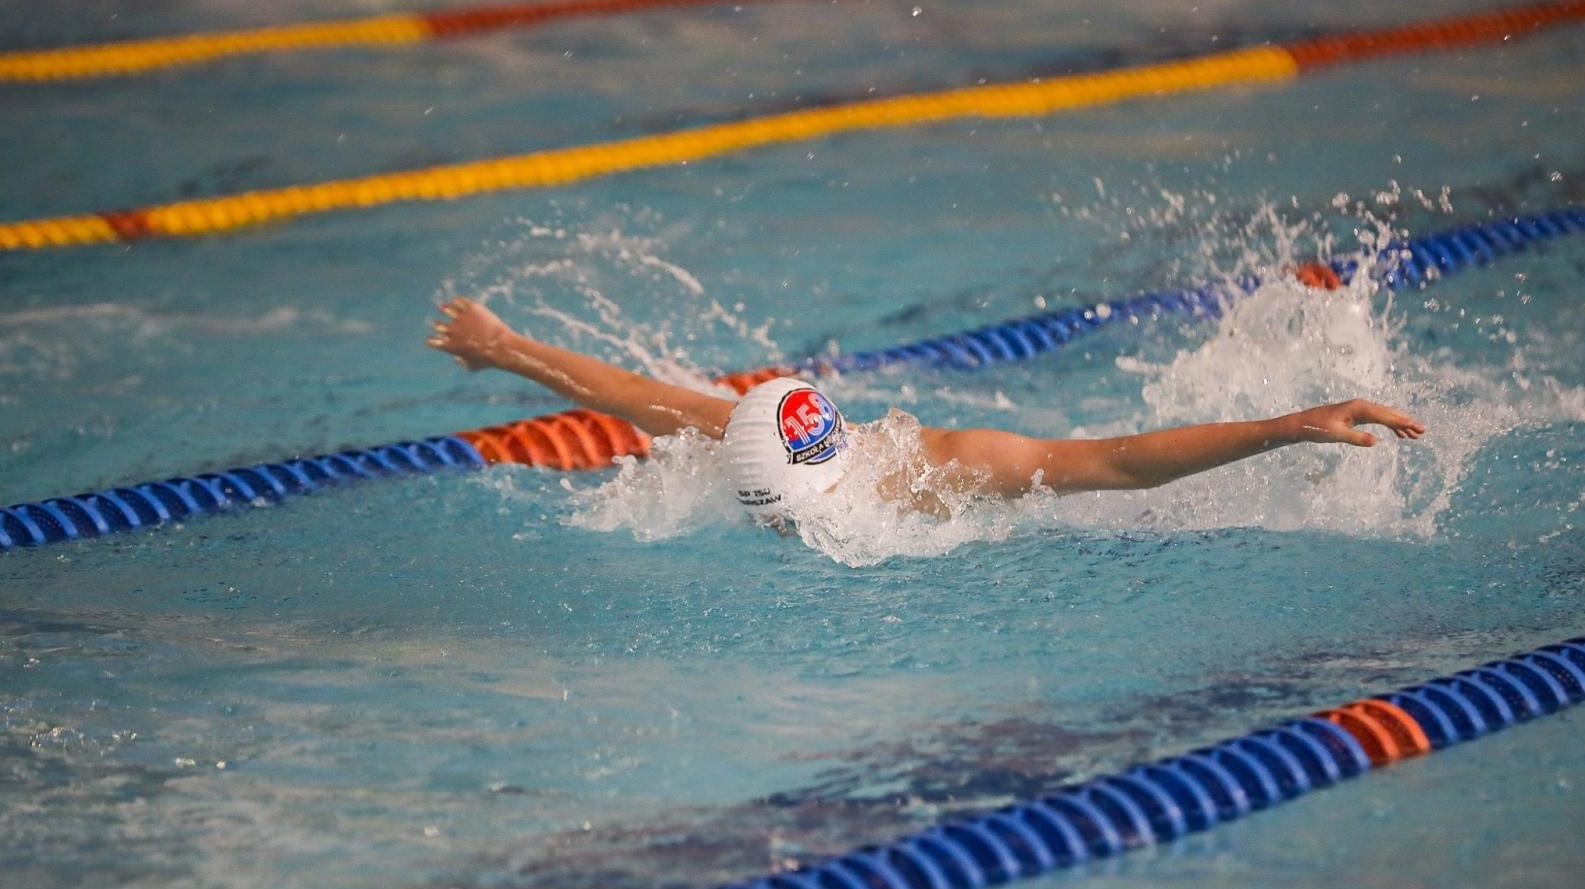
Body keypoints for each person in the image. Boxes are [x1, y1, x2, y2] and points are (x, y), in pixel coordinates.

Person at [428, 297, 1425, 517]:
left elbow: (1118, 461)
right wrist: (501, 349)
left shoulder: (943, 471)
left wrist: (1290, 423)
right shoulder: (738, 433)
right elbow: (623, 393)